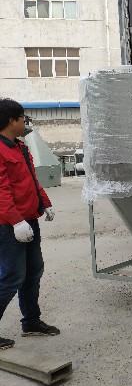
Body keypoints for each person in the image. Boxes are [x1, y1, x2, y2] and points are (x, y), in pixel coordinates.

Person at [0, 98, 59, 351]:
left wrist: (45, 202)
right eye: (22, 117)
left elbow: (31, 181)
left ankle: (31, 322)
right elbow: (1, 191)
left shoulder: (20, 147)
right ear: (11, 120)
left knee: (33, 272)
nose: (25, 121)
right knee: (12, 277)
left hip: (29, 220)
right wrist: (15, 222)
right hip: (9, 225)